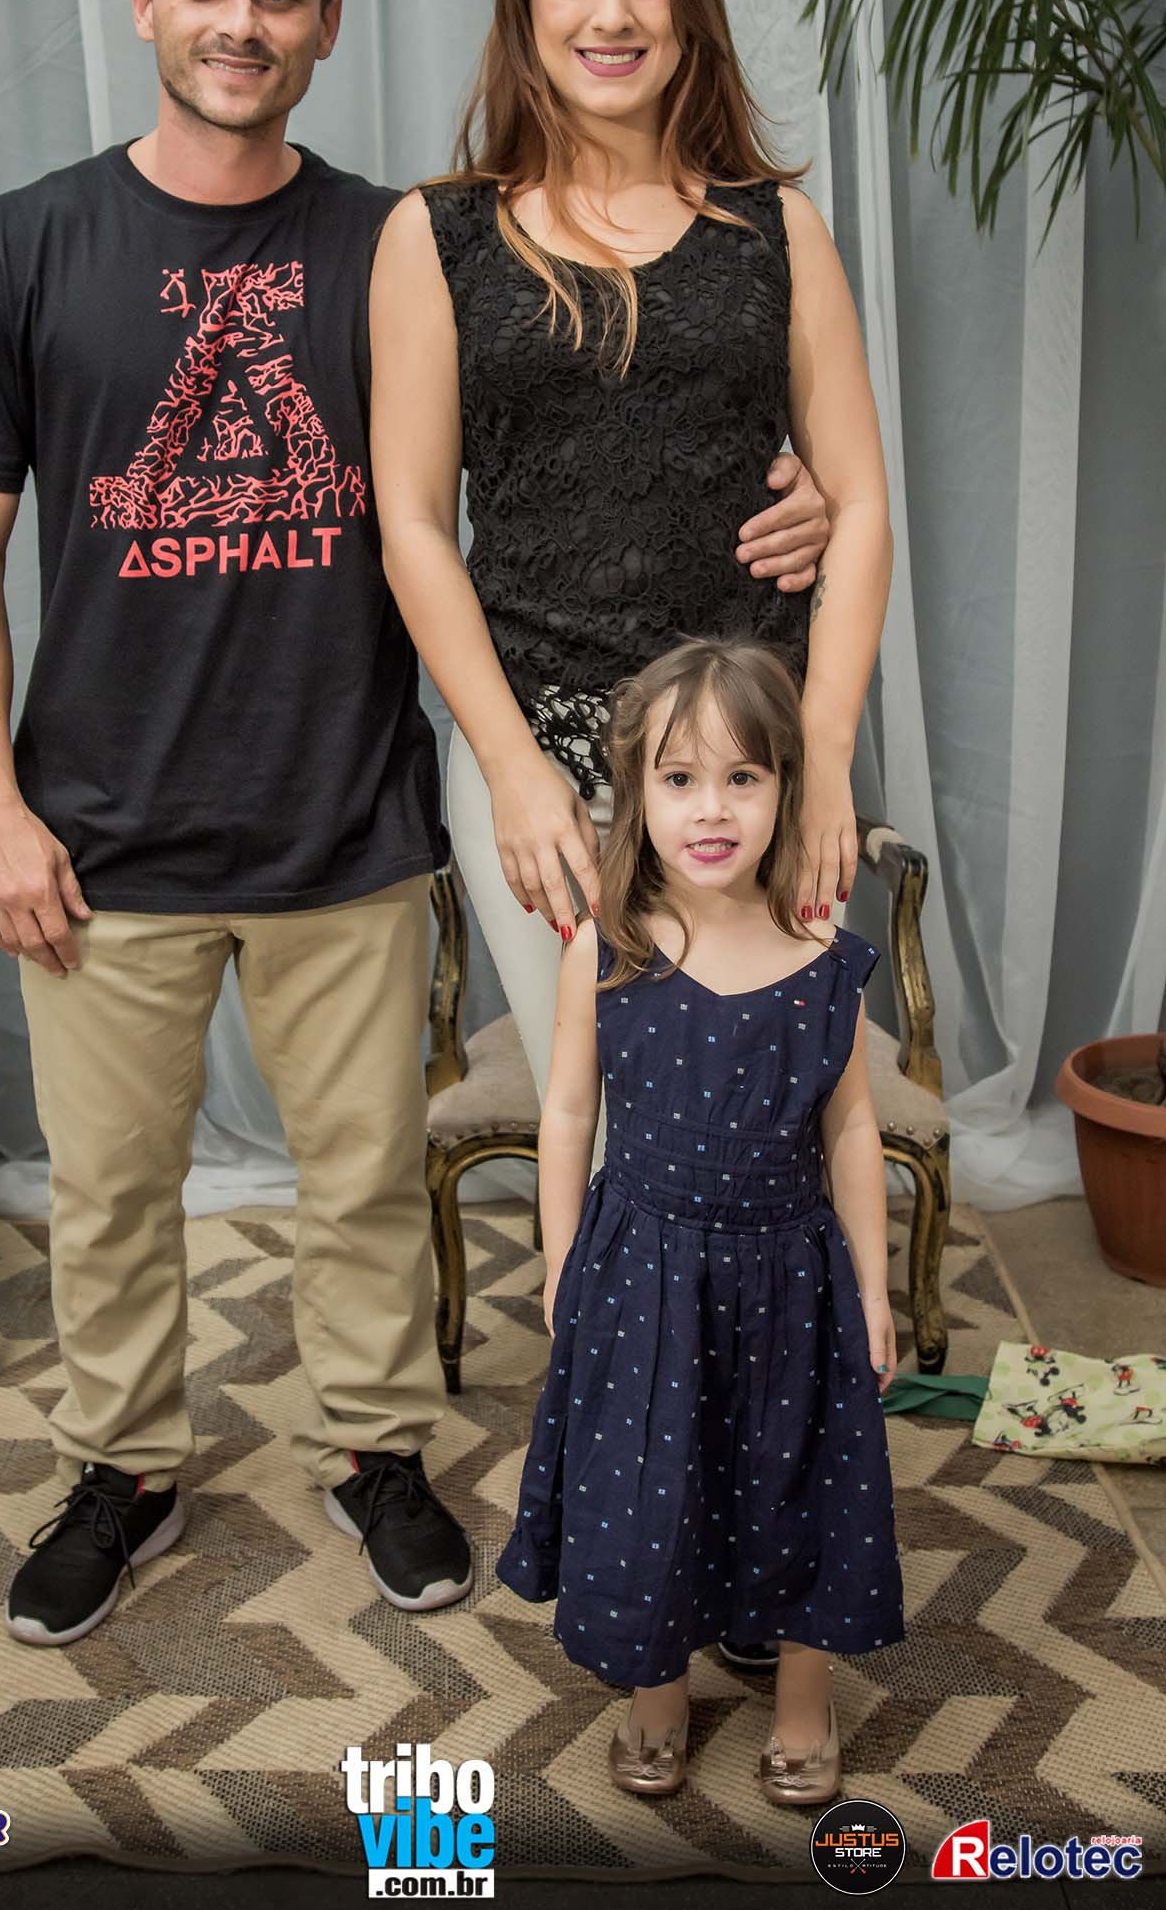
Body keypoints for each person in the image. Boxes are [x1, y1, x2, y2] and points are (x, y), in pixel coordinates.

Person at [0, 0, 477, 1645]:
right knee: (113, 1194)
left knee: (362, 1182)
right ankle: (122, 1469)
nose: (239, 22)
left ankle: (375, 1447)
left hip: (342, 811)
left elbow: (559, 438)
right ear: (144, 1)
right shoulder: (24, 244)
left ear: (328, 24)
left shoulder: (394, 246)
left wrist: (786, 478)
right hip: (95, 830)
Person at [370, 0, 888, 1672]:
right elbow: (413, 522)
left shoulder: (775, 229)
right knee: (633, 1152)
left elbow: (860, 503)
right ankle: (644, 1521)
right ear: (526, 5)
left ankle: (770, 1527)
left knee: (772, 1140)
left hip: (748, 768)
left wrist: (828, 759)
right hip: (551, 756)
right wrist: (515, 768)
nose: (612, 11)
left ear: (691, 5)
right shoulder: (437, 233)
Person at [495, 637, 904, 1806]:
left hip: (791, 1276)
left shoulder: (822, 959)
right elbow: (568, 1112)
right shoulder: (609, 948)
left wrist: (873, 1288)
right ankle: (657, 1689)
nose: (712, 809)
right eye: (679, 779)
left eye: (743, 778)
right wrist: (562, 1263)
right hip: (645, 1271)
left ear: (787, 789)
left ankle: (804, 1701)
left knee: (801, 1482)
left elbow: (851, 1133)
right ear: (638, 792)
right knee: (650, 1488)